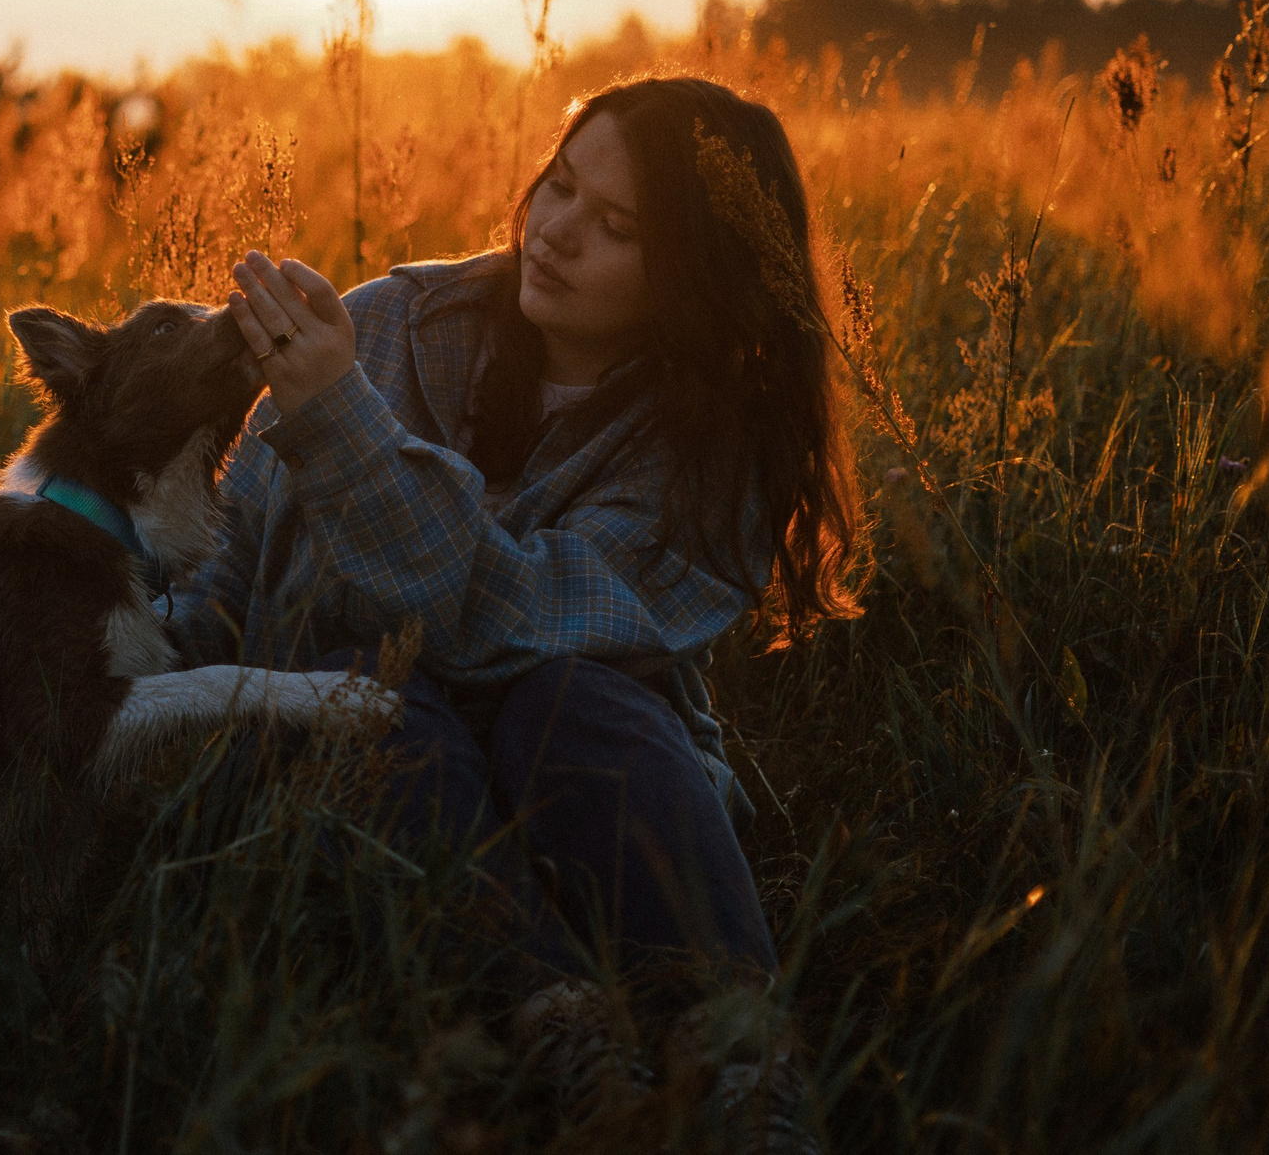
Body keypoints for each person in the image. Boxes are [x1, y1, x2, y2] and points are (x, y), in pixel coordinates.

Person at [165, 74, 862, 1148]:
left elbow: (513, 613)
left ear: (695, 276)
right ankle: (567, 1039)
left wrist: (340, 427)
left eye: (617, 225)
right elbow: (229, 573)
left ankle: (738, 1063)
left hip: (594, 799)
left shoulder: (714, 449)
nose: (556, 231)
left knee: (572, 697)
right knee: (361, 689)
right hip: (380, 796)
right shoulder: (386, 328)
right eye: (559, 183)